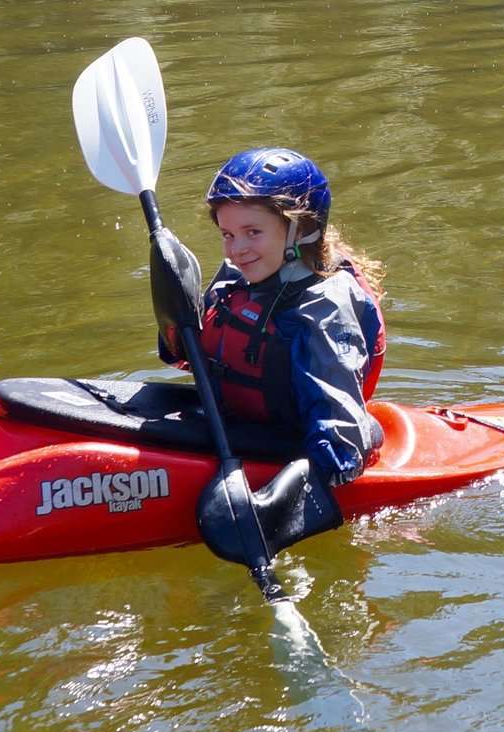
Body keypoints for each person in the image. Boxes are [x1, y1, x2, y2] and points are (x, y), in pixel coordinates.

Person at [159, 148, 389, 495]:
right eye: (228, 234)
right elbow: (182, 358)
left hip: (296, 448)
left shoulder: (324, 308)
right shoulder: (236, 280)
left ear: (302, 229)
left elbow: (340, 443)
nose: (236, 250)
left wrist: (283, 501)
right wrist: (173, 304)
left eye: (253, 232)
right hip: (235, 427)